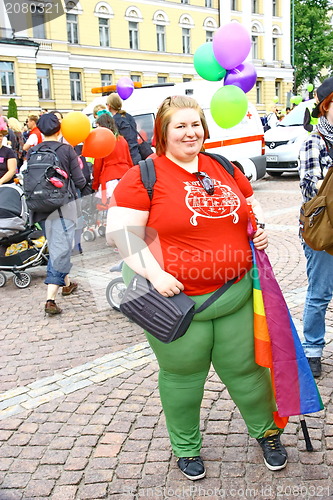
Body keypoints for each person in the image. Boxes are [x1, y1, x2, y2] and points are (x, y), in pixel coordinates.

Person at [106, 95, 288, 480]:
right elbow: (120, 234)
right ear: (163, 132)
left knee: (248, 372)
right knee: (183, 376)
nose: (190, 133)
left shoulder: (222, 166)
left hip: (234, 294)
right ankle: (186, 448)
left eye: (195, 125)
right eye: (180, 126)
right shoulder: (144, 176)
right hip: (176, 303)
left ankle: (267, 432)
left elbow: (247, 212)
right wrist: (155, 275)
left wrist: (259, 234)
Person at [27, 113, 88, 315]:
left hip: (39, 208)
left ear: (40, 131)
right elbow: (79, 181)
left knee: (57, 246)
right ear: (59, 129)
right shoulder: (66, 150)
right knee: (60, 248)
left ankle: (67, 284)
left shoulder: (33, 151)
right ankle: (50, 299)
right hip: (63, 208)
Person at [299, 76, 333, 378]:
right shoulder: (314, 140)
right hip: (323, 231)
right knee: (320, 293)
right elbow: (311, 190)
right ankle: (312, 350)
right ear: (326, 106)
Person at [92, 111, 133, 205]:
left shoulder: (102, 142)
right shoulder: (122, 140)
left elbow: (97, 166)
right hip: (125, 177)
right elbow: (129, 161)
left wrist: (95, 185)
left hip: (109, 179)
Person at [106, 93, 141, 165]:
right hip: (136, 154)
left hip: (126, 157)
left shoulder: (114, 121)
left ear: (109, 106)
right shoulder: (128, 116)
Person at [0, 116, 17, 185]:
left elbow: (12, 170)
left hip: (6, 186)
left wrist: (1, 181)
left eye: (0, 136)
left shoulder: (8, 152)